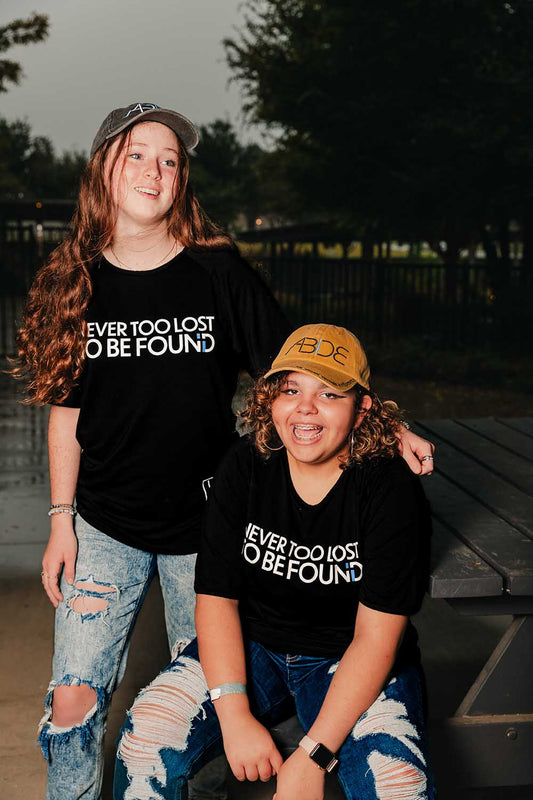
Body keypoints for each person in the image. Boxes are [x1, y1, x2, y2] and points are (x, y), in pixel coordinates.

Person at [13, 101, 433, 800]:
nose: (155, 169)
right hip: (104, 526)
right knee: (73, 705)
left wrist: (388, 427)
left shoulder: (217, 272)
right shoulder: (74, 280)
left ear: (183, 182)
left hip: (206, 532)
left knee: (202, 714)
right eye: (138, 154)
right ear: (104, 169)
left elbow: (301, 374)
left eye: (170, 160)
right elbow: (67, 413)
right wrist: (61, 518)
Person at [114, 323, 435, 800]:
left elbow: (375, 638)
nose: (305, 408)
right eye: (291, 390)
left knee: (397, 787)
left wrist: (314, 754)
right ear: (271, 399)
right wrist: (234, 712)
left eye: (328, 393)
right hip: (255, 645)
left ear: (362, 408)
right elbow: (216, 600)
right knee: (146, 740)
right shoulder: (247, 464)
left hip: (346, 655)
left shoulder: (389, 488)